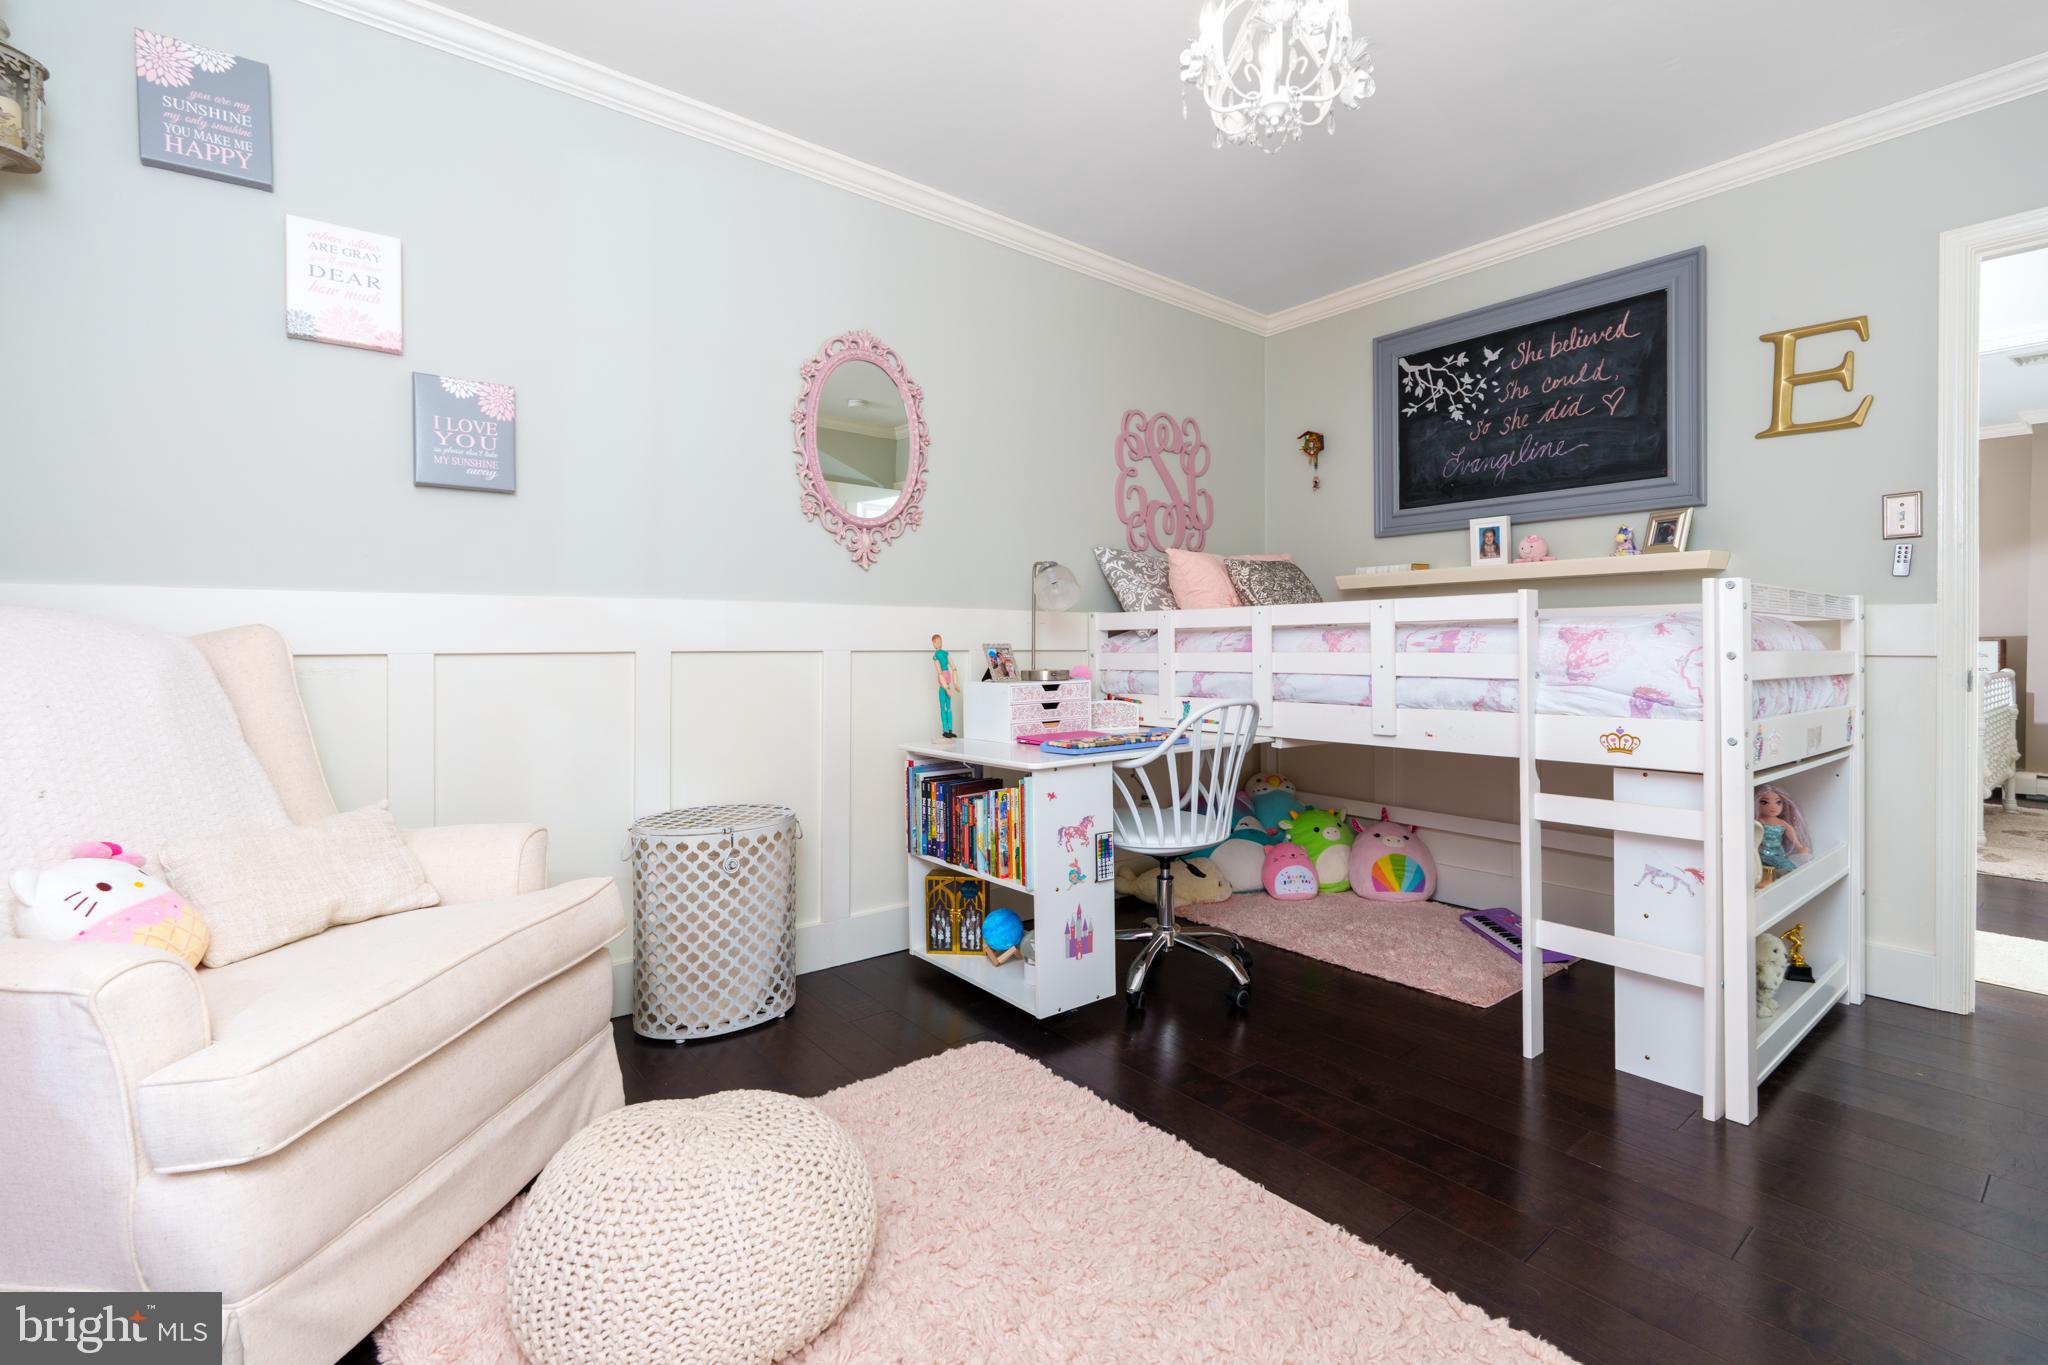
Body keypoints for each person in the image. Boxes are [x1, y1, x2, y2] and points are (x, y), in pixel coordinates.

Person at [931, 633, 962, 738]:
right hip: (943, 687)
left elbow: (954, 668)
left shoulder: (945, 653)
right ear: (934, 644)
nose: (939, 644)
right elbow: (939, 673)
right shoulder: (936, 657)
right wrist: (946, 688)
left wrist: (955, 683)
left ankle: (950, 730)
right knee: (943, 708)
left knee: (949, 708)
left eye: (941, 641)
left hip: (948, 685)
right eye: (937, 642)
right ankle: (945, 730)